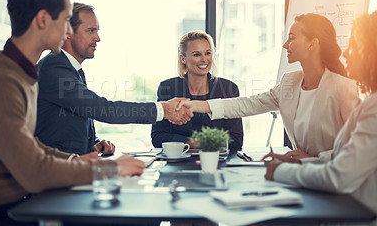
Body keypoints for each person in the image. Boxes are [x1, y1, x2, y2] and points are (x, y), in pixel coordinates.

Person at [0, 0, 144, 225]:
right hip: (0, 214)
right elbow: (33, 171)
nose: (68, 30)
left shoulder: (22, 72)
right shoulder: (0, 78)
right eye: (66, 20)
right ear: (43, 19)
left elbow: (28, 142)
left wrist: (73, 159)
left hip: (21, 205)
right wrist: (111, 169)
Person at [178, 13, 360, 161]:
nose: (285, 45)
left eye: (292, 38)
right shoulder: (290, 82)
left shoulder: (343, 88)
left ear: (313, 44)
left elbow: (359, 147)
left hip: (335, 181)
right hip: (304, 176)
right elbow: (248, 104)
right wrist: (195, 105)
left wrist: (314, 158)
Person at [36, 2, 192, 156]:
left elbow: (70, 119)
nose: (98, 38)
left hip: (75, 164)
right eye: (91, 31)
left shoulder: (71, 68)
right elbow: (102, 109)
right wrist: (164, 109)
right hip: (58, 169)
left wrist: (93, 143)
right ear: (68, 32)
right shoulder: (54, 67)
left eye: (97, 31)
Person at [264, 11, 377, 217]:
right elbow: (340, 157)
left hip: (357, 214)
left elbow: (340, 176)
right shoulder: (370, 102)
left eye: (354, 46)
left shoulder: (372, 107)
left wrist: (280, 171)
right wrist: (300, 161)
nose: (347, 53)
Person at [151, 30, 244, 150]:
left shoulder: (228, 88)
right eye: (196, 54)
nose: (204, 59)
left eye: (208, 53)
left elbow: (236, 139)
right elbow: (158, 137)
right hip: (178, 162)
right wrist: (190, 142)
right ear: (183, 58)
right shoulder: (168, 88)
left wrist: (198, 143)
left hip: (218, 162)